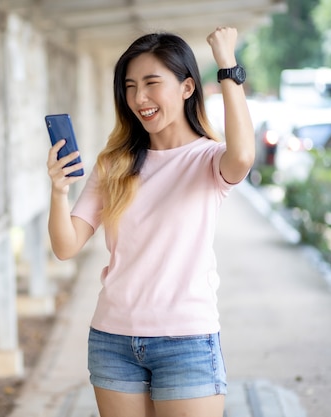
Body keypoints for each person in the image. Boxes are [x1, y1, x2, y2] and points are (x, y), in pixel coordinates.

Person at [45, 27, 254, 417]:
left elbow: (242, 156)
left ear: (188, 87)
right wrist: (58, 191)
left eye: (152, 83)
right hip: (112, 341)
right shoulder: (115, 163)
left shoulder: (208, 160)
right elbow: (66, 245)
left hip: (186, 341)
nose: (139, 98)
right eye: (129, 86)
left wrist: (228, 65)